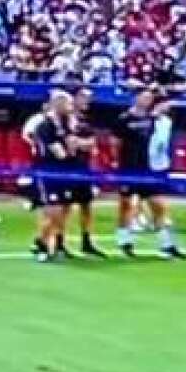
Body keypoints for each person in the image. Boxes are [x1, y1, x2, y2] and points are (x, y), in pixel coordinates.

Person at [114, 90, 186, 260]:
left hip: (147, 169)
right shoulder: (123, 119)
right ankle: (124, 241)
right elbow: (116, 143)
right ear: (136, 98)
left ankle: (167, 244)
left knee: (158, 205)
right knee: (125, 205)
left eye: (149, 98)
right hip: (128, 168)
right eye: (144, 97)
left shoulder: (152, 120)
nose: (147, 100)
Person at [30, 89, 76, 262]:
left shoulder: (66, 125)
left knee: (64, 211)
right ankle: (41, 244)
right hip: (48, 172)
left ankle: (58, 245)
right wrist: (70, 147)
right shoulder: (45, 126)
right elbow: (60, 153)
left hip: (65, 172)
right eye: (67, 103)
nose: (70, 107)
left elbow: (73, 148)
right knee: (52, 211)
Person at [64, 86, 106, 258]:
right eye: (83, 96)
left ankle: (86, 242)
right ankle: (58, 242)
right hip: (66, 169)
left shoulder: (86, 120)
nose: (87, 101)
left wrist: (80, 143)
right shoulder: (64, 119)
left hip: (83, 169)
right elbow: (68, 143)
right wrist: (80, 143)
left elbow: (91, 143)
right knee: (64, 207)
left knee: (86, 206)